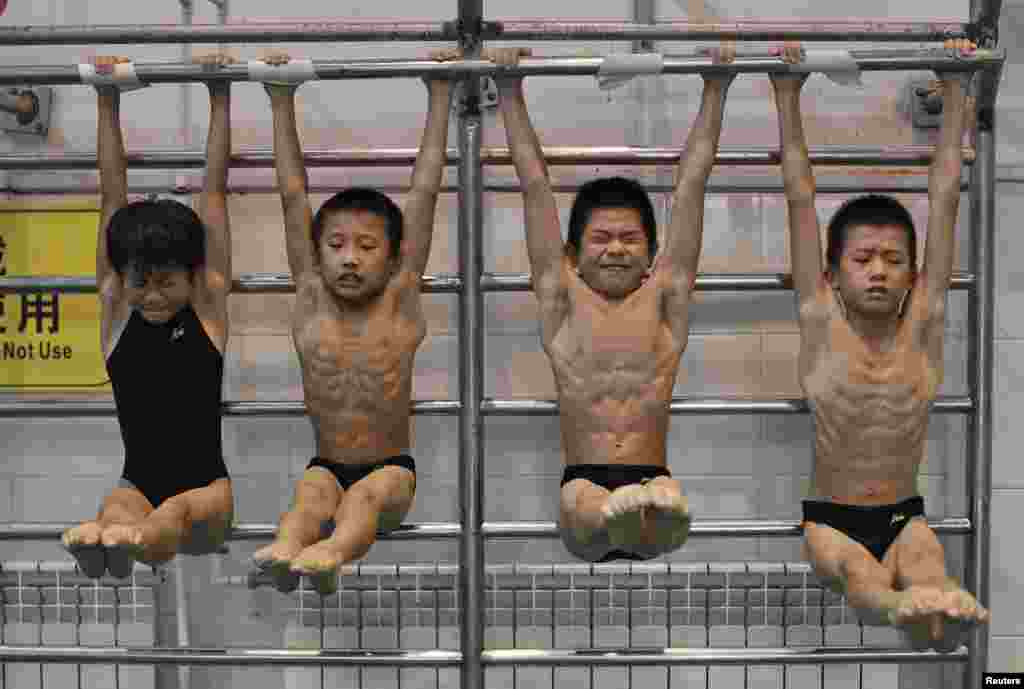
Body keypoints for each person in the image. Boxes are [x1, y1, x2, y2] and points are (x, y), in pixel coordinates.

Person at [771, 41, 989, 649]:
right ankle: (898, 608)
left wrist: (954, 94)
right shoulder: (820, 320)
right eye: (863, 258)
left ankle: (932, 601)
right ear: (833, 274)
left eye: (895, 260)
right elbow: (799, 197)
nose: (878, 271)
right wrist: (787, 96)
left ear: (914, 275)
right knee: (861, 574)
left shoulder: (924, 321)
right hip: (832, 522)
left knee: (927, 561)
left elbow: (945, 198)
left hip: (904, 513)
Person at [486, 46, 734, 562]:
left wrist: (717, 86)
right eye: (601, 238)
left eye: (629, 239)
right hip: (586, 484)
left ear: (651, 252)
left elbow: (692, 186)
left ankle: (647, 515)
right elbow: (534, 186)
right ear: (573, 253)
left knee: (662, 499)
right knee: (590, 504)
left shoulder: (666, 295)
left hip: (653, 477)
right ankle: (624, 516)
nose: (616, 248)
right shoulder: (561, 295)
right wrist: (510, 90)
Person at [252, 50, 456, 594]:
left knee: (362, 500)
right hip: (326, 460)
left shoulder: (400, 301)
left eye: (367, 247)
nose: (350, 258)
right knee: (309, 499)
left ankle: (331, 554)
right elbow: (293, 194)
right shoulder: (312, 298)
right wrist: (279, 98)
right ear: (316, 256)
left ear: (393, 259)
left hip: (391, 469)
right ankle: (290, 550)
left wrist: (440, 96)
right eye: (337, 245)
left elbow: (425, 193)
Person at [62, 53, 236, 578]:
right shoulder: (118, 307)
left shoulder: (207, 305)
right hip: (137, 485)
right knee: (117, 508)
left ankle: (123, 545)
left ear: (192, 275)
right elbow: (111, 196)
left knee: (172, 513)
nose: (153, 295)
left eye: (167, 283)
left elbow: (213, 195)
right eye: (141, 282)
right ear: (124, 277)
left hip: (207, 497)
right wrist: (106, 100)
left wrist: (220, 95)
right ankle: (109, 541)